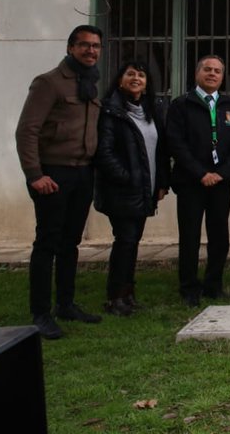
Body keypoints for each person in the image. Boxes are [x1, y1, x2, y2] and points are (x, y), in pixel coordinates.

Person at [15, 24, 106, 339]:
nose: (90, 51)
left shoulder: (90, 85)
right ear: (70, 48)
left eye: (95, 46)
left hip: (83, 173)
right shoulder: (49, 83)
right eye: (84, 45)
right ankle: (40, 313)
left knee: (71, 243)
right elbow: (27, 131)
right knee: (47, 243)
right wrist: (35, 175)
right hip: (53, 173)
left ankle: (65, 303)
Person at [166, 55, 230, 306]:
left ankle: (214, 284)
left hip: (221, 182)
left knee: (219, 234)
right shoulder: (182, 104)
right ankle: (189, 287)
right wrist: (201, 173)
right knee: (190, 236)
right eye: (208, 70)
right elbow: (176, 143)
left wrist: (222, 172)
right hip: (192, 182)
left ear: (222, 76)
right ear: (197, 73)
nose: (212, 74)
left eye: (218, 71)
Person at [94, 59, 170, 317]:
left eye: (141, 75)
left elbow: (160, 152)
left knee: (132, 241)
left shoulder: (150, 113)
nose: (136, 78)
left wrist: (161, 183)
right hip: (122, 190)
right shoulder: (111, 112)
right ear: (120, 80)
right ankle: (116, 297)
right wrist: (127, 177)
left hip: (144, 190)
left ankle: (127, 293)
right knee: (125, 240)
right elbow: (104, 153)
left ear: (147, 84)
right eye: (130, 74)